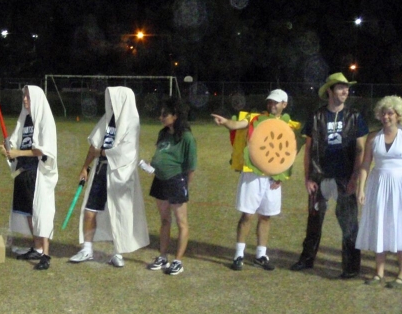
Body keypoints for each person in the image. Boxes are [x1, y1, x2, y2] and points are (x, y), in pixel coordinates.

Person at [211, 89, 300, 271]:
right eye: (269, 102)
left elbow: (289, 153)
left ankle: (261, 255)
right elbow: (238, 125)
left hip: (272, 178)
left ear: (284, 104)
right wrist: (226, 122)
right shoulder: (255, 118)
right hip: (252, 175)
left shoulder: (289, 125)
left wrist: (281, 176)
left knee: (266, 217)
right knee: (247, 215)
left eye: (276, 102)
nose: (271, 105)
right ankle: (239, 255)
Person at [290, 73, 369, 278]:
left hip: (345, 178)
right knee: (314, 221)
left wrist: (355, 178)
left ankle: (351, 268)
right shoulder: (316, 117)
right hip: (319, 177)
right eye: (341, 88)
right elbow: (308, 151)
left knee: (349, 224)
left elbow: (360, 150)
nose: (345, 91)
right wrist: (307, 178)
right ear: (329, 91)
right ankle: (307, 260)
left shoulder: (354, 117)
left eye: (347, 88)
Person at [69, 86, 149, 267]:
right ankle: (87, 249)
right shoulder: (108, 119)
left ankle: (117, 253)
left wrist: (101, 152)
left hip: (121, 175)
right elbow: (94, 145)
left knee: (119, 213)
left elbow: (126, 153)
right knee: (90, 210)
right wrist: (85, 167)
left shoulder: (132, 121)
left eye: (115, 99)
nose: (111, 102)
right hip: (100, 170)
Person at [356, 96, 402, 287]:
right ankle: (379, 273)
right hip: (378, 185)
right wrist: (361, 188)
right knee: (380, 226)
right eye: (383, 113)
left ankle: (401, 275)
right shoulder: (373, 137)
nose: (386, 116)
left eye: (390, 113)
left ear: (399, 115)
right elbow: (366, 164)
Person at [0, 85, 57, 270]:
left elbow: (43, 149)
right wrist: (8, 150)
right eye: (24, 97)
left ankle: (46, 255)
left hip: (39, 172)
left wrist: (17, 152)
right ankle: (37, 247)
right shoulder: (25, 119)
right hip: (24, 172)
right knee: (29, 214)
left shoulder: (45, 120)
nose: (25, 100)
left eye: (28, 97)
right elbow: (15, 144)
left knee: (42, 213)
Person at [146, 98, 197, 276]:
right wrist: (150, 165)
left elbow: (191, 167)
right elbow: (160, 155)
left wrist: (185, 187)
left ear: (175, 116)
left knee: (181, 222)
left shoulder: (187, 137)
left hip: (176, 181)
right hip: (160, 181)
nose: (161, 117)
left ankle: (178, 261)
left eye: (164, 114)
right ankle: (162, 256)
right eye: (160, 114)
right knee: (165, 220)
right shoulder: (163, 134)